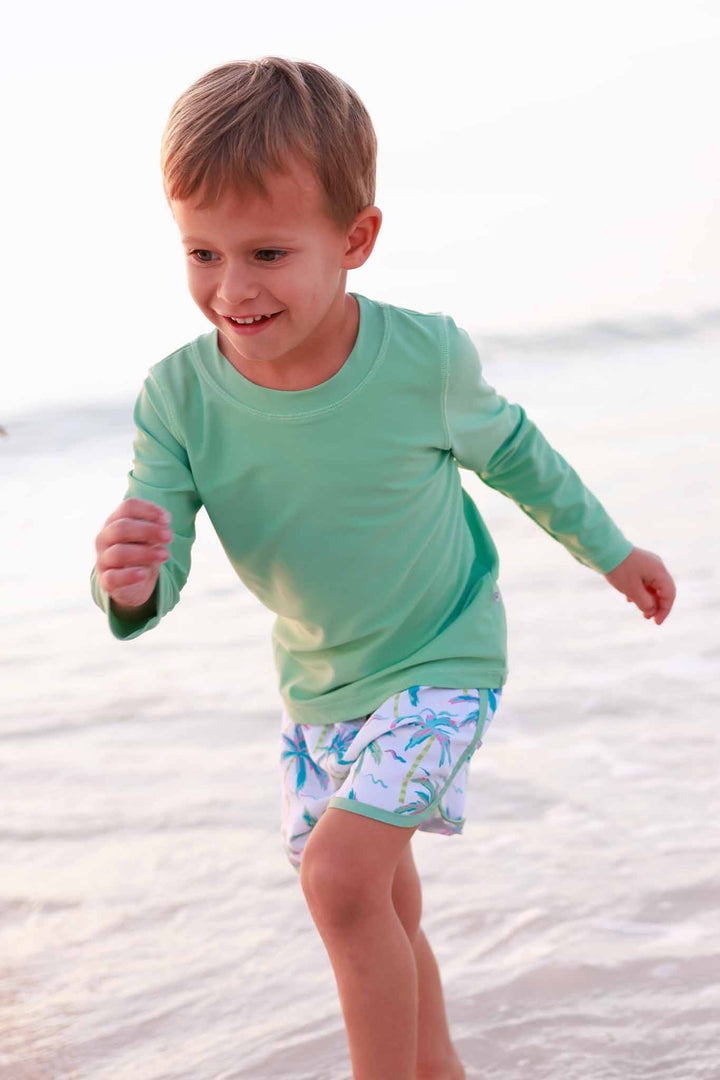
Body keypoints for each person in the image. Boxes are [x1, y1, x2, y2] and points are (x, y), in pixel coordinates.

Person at [91, 57, 676, 1080]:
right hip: (321, 687)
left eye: (268, 251)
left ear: (354, 239)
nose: (232, 288)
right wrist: (131, 581)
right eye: (201, 252)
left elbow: (523, 461)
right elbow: (159, 540)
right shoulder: (176, 398)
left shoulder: (421, 359)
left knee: (342, 881)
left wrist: (614, 553)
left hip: (444, 657)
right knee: (383, 904)